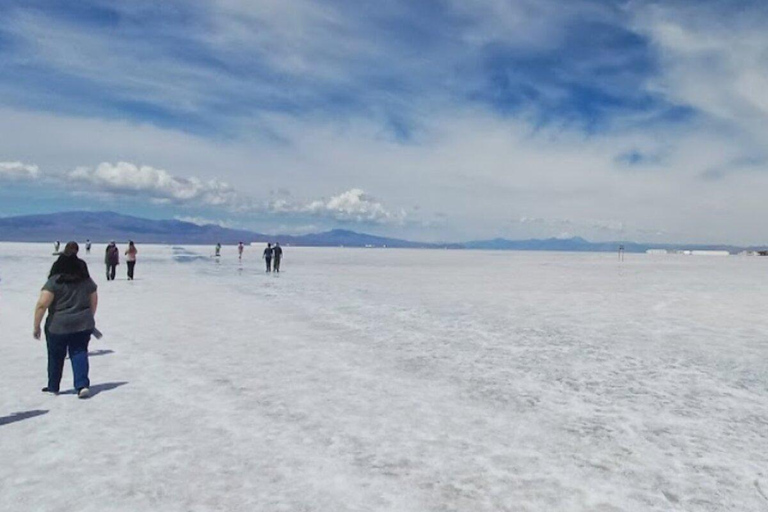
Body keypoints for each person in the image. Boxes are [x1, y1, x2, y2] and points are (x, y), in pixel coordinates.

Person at [33, 242, 98, 399]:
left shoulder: (54, 282)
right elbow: (94, 299)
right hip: (82, 324)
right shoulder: (86, 281)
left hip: (57, 326)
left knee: (55, 355)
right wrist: (89, 317)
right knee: (79, 352)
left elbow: (42, 304)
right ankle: (82, 385)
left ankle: (53, 386)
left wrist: (37, 326)